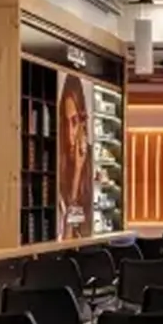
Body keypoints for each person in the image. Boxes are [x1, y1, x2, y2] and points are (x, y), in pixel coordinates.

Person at [57, 74, 92, 239]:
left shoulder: (92, 165)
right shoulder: (57, 165)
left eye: (75, 121)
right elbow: (67, 239)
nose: (70, 135)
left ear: (83, 123)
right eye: (65, 123)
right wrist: (77, 173)